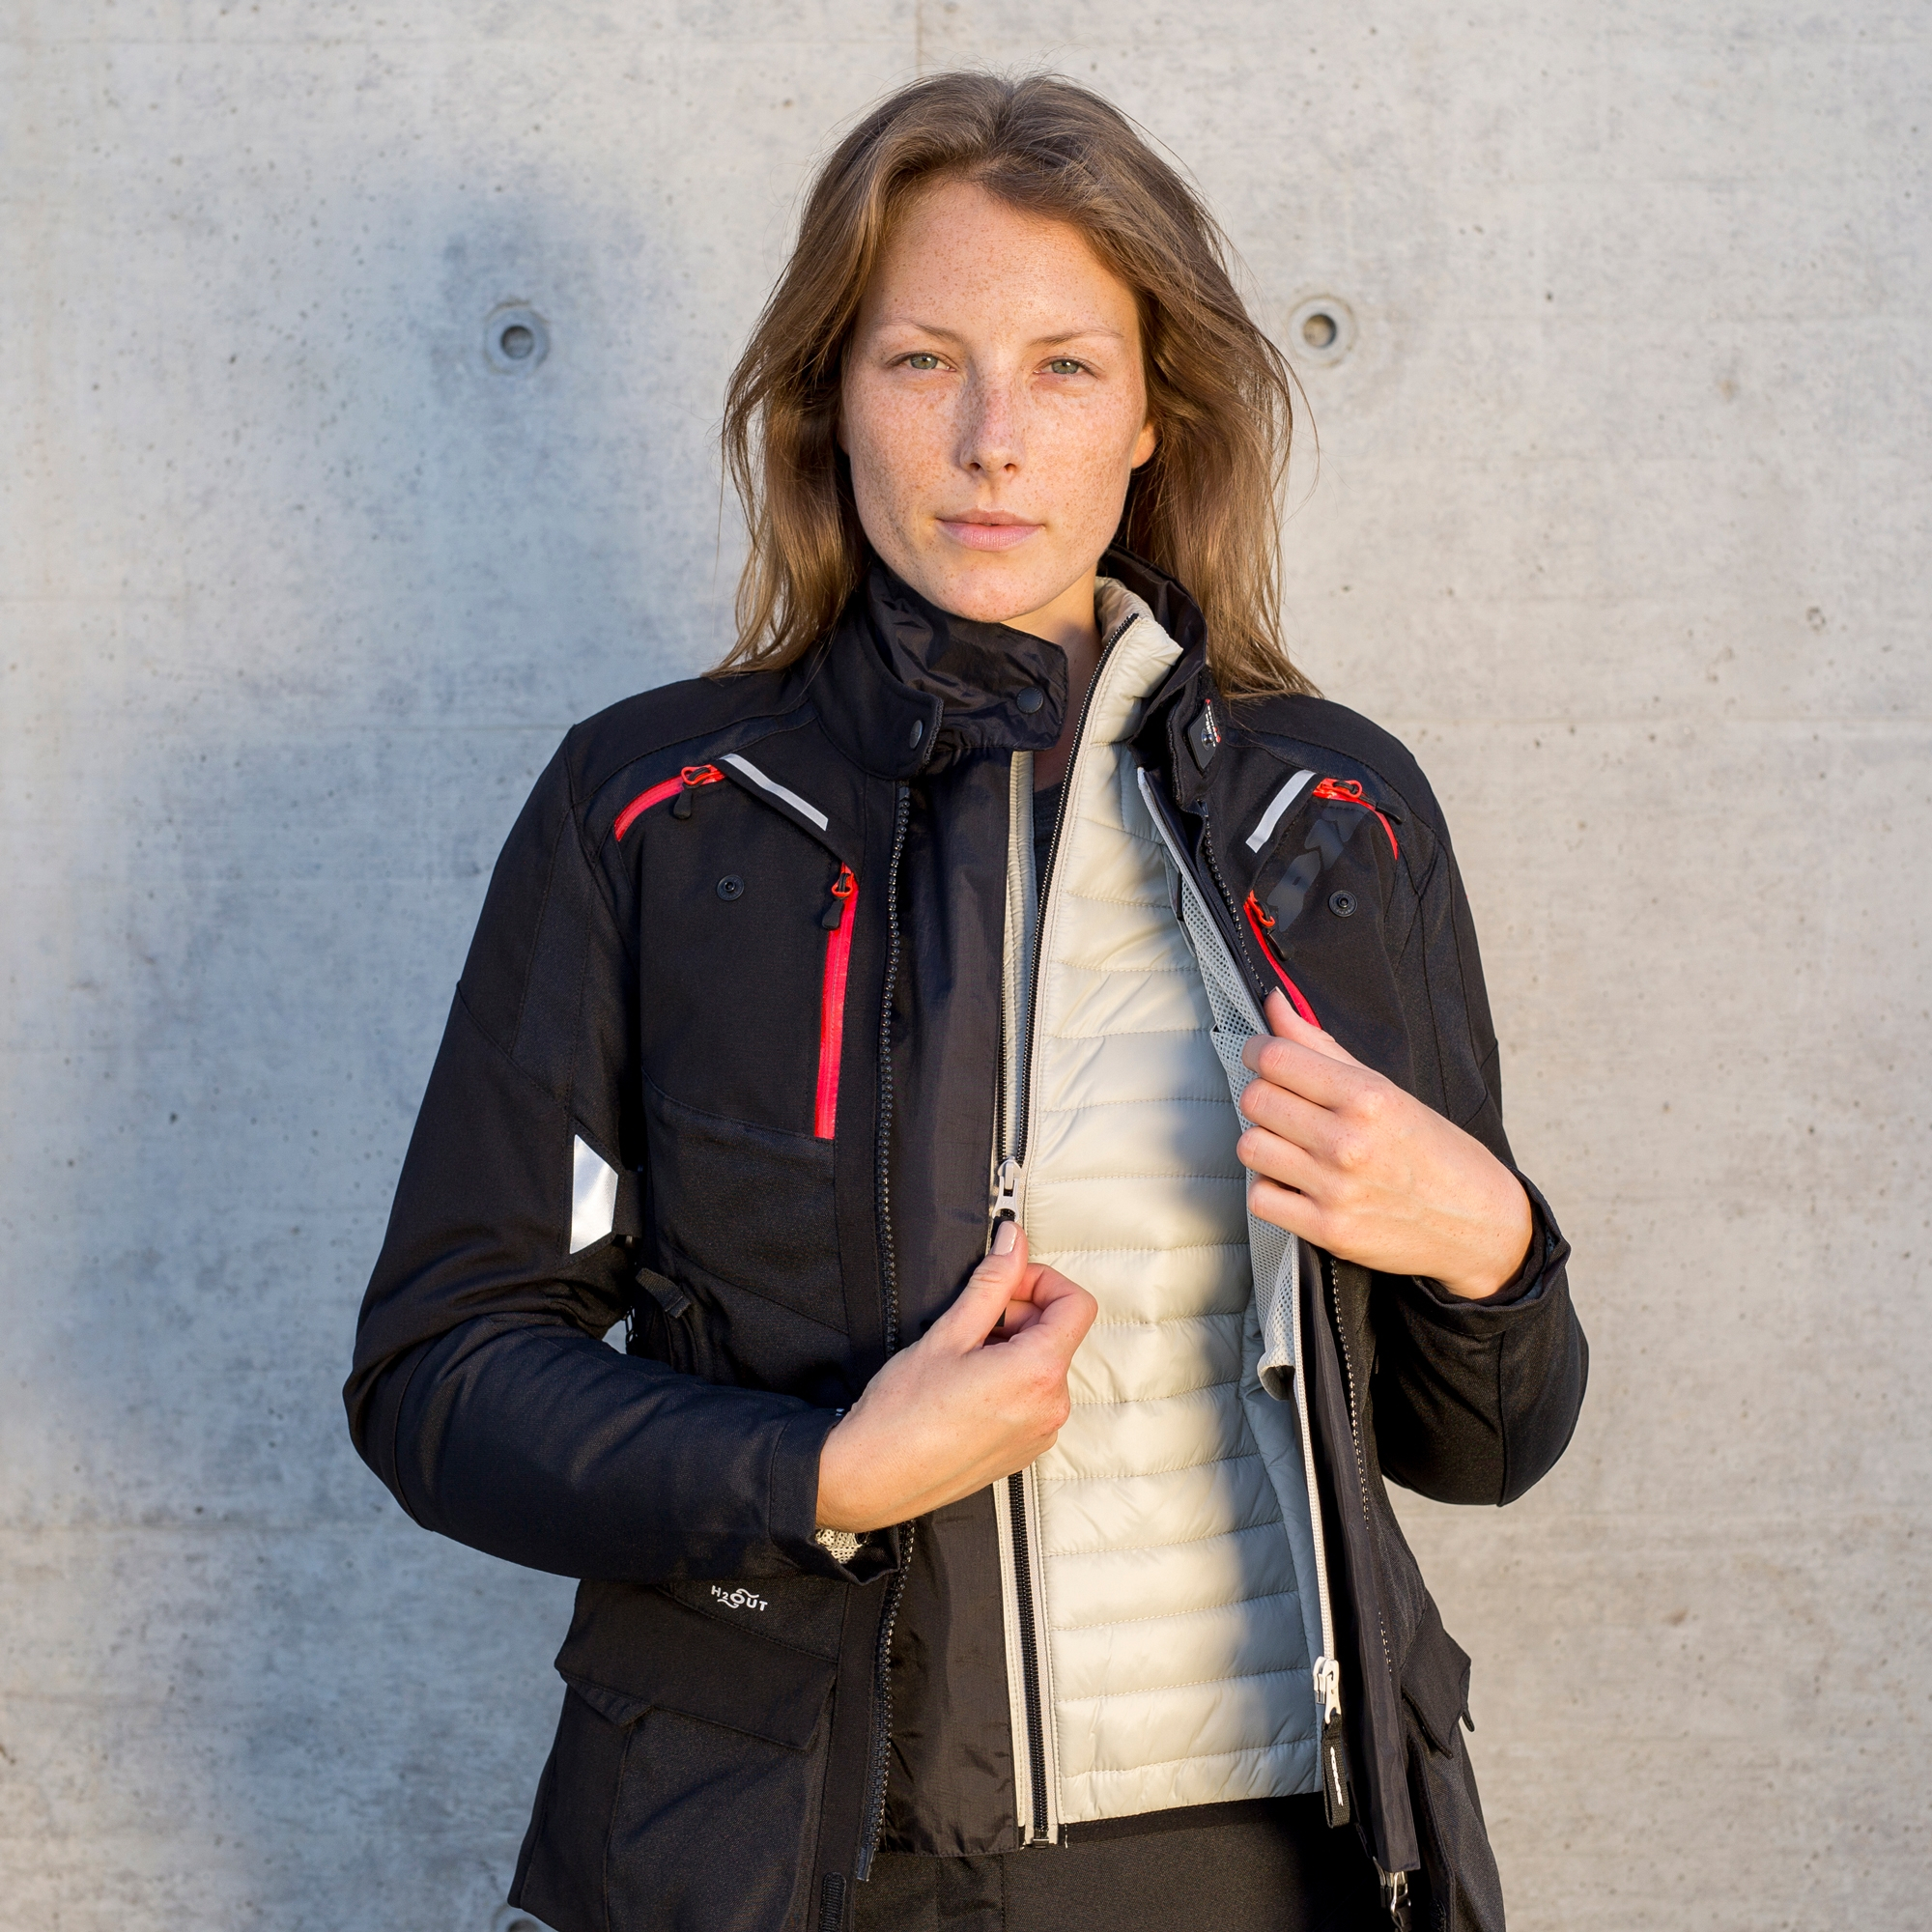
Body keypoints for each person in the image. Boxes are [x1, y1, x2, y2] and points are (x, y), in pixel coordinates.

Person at [346, 71, 1586, 1932]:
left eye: (1065, 368)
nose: (993, 440)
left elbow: (1481, 1447)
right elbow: (442, 1373)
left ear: (1153, 417)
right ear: (828, 399)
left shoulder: (1334, 815)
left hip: (1266, 1869)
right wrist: (824, 1470)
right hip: (798, 1862)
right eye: (924, 361)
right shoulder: (661, 813)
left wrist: (1491, 1244)